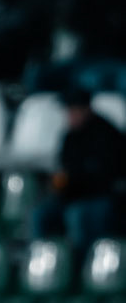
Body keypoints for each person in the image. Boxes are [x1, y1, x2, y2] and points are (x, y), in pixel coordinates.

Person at [35, 88, 126, 246]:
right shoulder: (70, 136)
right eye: (68, 110)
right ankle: (44, 261)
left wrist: (72, 181)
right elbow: (64, 170)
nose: (69, 115)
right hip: (72, 196)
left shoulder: (107, 135)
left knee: (76, 215)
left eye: (73, 110)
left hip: (102, 198)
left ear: (86, 109)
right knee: (40, 214)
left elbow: (106, 178)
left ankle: (79, 265)